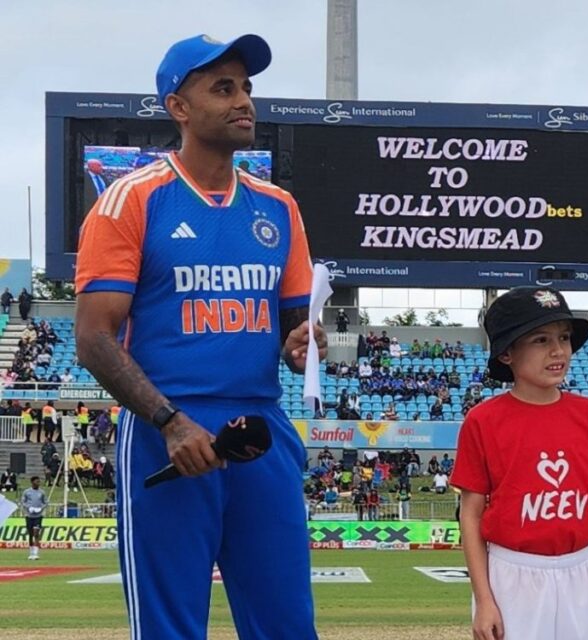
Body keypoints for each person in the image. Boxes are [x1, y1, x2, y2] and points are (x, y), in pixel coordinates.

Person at [72, 34, 322, 639]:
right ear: (178, 108)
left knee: (287, 625)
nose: (245, 102)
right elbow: (94, 338)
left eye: (247, 88)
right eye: (223, 88)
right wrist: (169, 422)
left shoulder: (279, 206)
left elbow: (294, 332)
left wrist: (302, 344)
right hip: (168, 429)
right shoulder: (131, 200)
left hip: (261, 428)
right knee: (171, 628)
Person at [451, 286, 588, 640]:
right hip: (512, 575)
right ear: (506, 353)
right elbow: (470, 514)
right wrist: (483, 599)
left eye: (564, 337)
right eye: (541, 340)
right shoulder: (483, 420)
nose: (558, 350)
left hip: (582, 570)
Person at [21, 476, 47, 560]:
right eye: (37, 482)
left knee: (36, 533)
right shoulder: (26, 492)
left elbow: (45, 502)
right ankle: (31, 552)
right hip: (29, 515)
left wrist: (40, 508)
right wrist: (28, 507)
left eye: (39, 482)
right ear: (32, 482)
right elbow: (23, 502)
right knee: (30, 534)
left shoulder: (42, 492)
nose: (38, 483)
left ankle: (36, 553)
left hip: (38, 516)